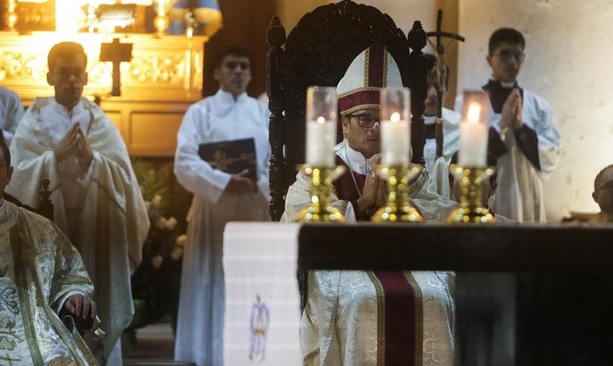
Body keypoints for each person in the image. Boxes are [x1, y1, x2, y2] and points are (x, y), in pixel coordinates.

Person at [282, 44, 457, 365]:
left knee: (435, 298)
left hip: (406, 264)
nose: (376, 128)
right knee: (361, 299)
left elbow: (441, 213)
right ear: (344, 124)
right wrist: (360, 205)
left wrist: (406, 206)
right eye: (365, 118)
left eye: (385, 119)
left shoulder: (406, 169)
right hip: (338, 269)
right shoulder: (321, 169)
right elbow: (292, 222)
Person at [6, 41, 149, 365]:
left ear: (86, 77)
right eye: (64, 73)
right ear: (49, 77)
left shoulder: (100, 124)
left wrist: (95, 161)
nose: (71, 80)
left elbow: (126, 182)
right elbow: (14, 180)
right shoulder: (33, 124)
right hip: (50, 233)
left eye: (77, 74)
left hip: (97, 230)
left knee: (95, 298)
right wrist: (52, 158)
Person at [174, 44, 271, 365]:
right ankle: (209, 354)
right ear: (217, 72)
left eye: (245, 66)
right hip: (214, 210)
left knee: (250, 282)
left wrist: (256, 182)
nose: (239, 72)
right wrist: (223, 180)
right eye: (231, 66)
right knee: (212, 279)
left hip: (253, 209)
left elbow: (275, 162)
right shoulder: (199, 113)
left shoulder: (263, 114)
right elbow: (184, 162)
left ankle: (251, 354)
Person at [0, 110, 100, 365]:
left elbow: (68, 275)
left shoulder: (40, 229)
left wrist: (72, 295)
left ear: (9, 174)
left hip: (32, 329)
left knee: (56, 359)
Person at [457, 28, 561, 222]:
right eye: (505, 54)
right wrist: (501, 125)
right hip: (486, 191)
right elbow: (460, 154)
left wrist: (521, 129)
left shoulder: (539, 106)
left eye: (517, 55)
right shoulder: (467, 103)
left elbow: (551, 155)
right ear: (490, 59)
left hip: (526, 193)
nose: (512, 62)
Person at [423, 53, 460, 199]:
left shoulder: (462, 127)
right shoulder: (400, 126)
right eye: (426, 86)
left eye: (438, 87)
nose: (432, 94)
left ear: (447, 90)